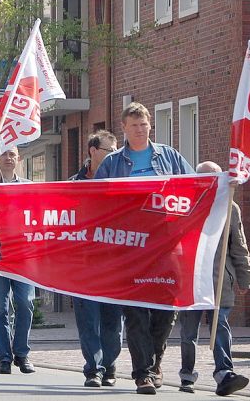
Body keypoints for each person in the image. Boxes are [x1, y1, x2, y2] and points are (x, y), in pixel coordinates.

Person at [95, 102, 195, 395]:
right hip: (129, 249)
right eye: (134, 125)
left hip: (165, 247)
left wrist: (224, 182)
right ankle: (143, 374)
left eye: (144, 124)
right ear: (124, 128)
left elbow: (194, 187)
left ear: (150, 126)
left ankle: (155, 361)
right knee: (136, 311)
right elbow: (96, 201)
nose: (140, 130)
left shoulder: (170, 157)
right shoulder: (113, 163)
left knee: (166, 308)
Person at [177, 161, 250, 397]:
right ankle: (187, 375)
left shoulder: (231, 208)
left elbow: (238, 246)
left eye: (215, 178)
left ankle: (224, 374)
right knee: (189, 331)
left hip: (220, 279)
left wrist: (245, 275)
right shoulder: (184, 207)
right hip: (191, 279)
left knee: (220, 326)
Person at [70, 130, 125, 387]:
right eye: (109, 151)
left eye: (117, 151)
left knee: (112, 320)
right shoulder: (73, 185)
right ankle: (93, 368)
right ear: (93, 151)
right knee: (88, 319)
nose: (114, 156)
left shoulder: (123, 183)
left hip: (115, 263)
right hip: (83, 263)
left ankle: (110, 364)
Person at [0, 147, 37, 376]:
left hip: (24, 256)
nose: (8, 158)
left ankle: (22, 353)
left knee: (25, 303)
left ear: (19, 159)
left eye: (12, 154)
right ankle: (4, 358)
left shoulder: (29, 187)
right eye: (3, 154)